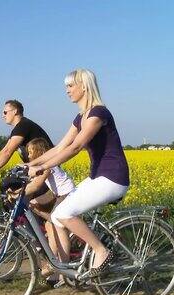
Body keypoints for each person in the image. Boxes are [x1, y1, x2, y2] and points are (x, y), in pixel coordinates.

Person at [27, 69, 130, 277]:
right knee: (56, 217)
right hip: (98, 177)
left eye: (70, 86)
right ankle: (64, 271)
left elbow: (75, 147)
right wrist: (30, 164)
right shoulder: (80, 117)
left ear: (84, 86)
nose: (67, 91)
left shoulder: (98, 113)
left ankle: (102, 251)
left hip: (113, 178)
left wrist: (42, 167)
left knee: (65, 213)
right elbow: (58, 148)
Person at [0, 100, 54, 198]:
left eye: (5, 112)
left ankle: (21, 212)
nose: (2, 115)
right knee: (10, 189)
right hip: (37, 170)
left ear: (15, 111)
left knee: (7, 185)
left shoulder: (23, 126)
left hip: (46, 171)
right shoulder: (20, 128)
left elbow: (7, 152)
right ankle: (20, 212)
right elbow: (4, 151)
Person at [24, 138, 75, 281]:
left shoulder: (46, 166)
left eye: (30, 152)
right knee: (47, 221)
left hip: (66, 195)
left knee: (52, 225)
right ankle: (56, 267)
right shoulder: (42, 166)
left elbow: (35, 186)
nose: (28, 156)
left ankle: (59, 268)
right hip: (58, 194)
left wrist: (17, 194)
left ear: (39, 152)